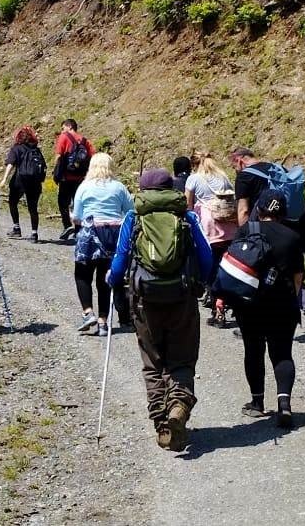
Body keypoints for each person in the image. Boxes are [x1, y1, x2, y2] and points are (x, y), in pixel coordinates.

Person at [108, 168, 212, 451]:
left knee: (153, 362)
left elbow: (120, 259)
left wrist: (112, 279)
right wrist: (201, 282)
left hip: (145, 301)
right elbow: (206, 257)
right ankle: (178, 405)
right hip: (182, 298)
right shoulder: (187, 217)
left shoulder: (134, 217)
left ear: (143, 191)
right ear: (171, 189)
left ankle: (162, 424)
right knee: (182, 359)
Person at [223, 187, 305, 428]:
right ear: (284, 212)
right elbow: (298, 276)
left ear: (258, 209)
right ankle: (284, 404)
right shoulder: (292, 237)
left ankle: (257, 403)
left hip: (249, 304)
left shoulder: (246, 230)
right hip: (282, 304)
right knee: (282, 353)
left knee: (253, 350)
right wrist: (293, 298)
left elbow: (233, 265)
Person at [230, 146, 305, 344]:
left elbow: (243, 210)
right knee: (292, 273)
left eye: (234, 167)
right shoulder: (275, 169)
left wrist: (244, 237)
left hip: (264, 230)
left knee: (258, 274)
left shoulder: (245, 176)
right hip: (293, 228)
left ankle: (252, 322)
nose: (236, 171)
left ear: (239, 160)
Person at [71, 153, 134, 334]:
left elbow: (77, 216)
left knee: (82, 274)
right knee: (105, 277)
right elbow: (130, 211)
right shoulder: (119, 187)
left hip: (91, 232)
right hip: (114, 233)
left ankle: (88, 312)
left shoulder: (84, 186)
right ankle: (103, 322)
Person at [186, 153, 239, 326]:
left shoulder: (194, 179)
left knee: (211, 269)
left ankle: (218, 309)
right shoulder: (223, 177)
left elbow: (188, 206)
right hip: (230, 227)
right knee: (227, 268)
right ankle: (231, 303)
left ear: (194, 165)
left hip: (209, 228)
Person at [0, 125, 47, 241]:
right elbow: (43, 166)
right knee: (33, 208)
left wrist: (4, 178)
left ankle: (16, 228)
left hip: (19, 181)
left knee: (12, 202)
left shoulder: (17, 148)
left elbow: (11, 164)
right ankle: (34, 233)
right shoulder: (36, 149)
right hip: (35, 182)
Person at [53, 118, 94, 241]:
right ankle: (78, 230)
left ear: (69, 126)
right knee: (78, 203)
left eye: (63, 128)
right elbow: (92, 156)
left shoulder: (64, 137)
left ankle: (67, 225)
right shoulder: (84, 140)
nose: (62, 131)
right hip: (81, 178)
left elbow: (58, 155)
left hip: (67, 177)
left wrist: (56, 171)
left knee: (62, 202)